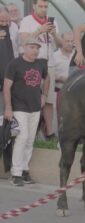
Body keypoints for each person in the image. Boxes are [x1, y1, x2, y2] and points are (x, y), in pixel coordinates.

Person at [4, 37, 50, 186]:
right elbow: (6, 87)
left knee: (30, 140)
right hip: (19, 107)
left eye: (37, 47)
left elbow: (47, 78)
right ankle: (16, 173)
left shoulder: (41, 64)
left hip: (35, 107)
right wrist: (8, 108)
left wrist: (44, 95)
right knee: (22, 138)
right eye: (32, 47)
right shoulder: (15, 64)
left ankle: (24, 170)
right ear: (24, 47)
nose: (35, 50)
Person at [19, 0, 63, 141]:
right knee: (30, 96)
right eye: (41, 6)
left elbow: (61, 45)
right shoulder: (27, 20)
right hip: (31, 63)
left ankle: (49, 132)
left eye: (46, 7)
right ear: (34, 7)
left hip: (48, 63)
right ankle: (27, 131)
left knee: (49, 99)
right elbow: (24, 41)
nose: (44, 9)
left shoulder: (53, 21)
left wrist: (54, 34)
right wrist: (40, 30)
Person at [54, 32, 74, 103]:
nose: (70, 43)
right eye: (67, 41)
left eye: (72, 41)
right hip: (57, 92)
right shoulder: (54, 56)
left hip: (73, 93)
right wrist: (60, 78)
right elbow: (48, 75)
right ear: (61, 41)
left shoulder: (76, 56)